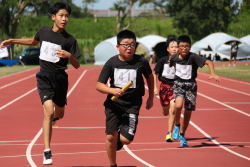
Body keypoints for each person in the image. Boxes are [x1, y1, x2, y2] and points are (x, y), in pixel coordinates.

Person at [0, 2, 81, 165]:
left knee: (60, 114)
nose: (64, 19)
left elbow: (77, 65)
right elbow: (33, 42)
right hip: (44, 76)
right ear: (53, 17)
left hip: (60, 79)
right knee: (48, 111)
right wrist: (12, 40)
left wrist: (69, 56)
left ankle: (53, 119)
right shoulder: (44, 31)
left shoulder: (70, 40)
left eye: (67, 16)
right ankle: (47, 151)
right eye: (61, 15)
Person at [96, 30, 154, 167]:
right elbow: (98, 85)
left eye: (133, 45)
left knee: (126, 140)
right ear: (117, 47)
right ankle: (112, 165)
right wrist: (112, 90)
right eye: (126, 45)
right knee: (110, 136)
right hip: (114, 104)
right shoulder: (111, 63)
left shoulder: (141, 61)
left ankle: (120, 139)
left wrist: (151, 96)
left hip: (132, 105)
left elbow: (150, 77)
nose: (129, 48)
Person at [169, 35, 220, 147]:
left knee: (188, 112)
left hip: (191, 86)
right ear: (178, 47)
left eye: (186, 46)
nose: (184, 49)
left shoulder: (193, 57)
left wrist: (212, 73)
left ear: (190, 47)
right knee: (178, 105)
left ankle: (182, 134)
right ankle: (176, 125)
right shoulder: (173, 58)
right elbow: (171, 65)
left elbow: (209, 62)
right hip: (178, 84)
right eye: (181, 46)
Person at [153, 35, 178, 142]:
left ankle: (169, 133)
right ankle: (175, 123)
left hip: (176, 87)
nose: (175, 49)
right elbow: (155, 73)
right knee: (165, 112)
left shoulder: (182, 61)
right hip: (164, 87)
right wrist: (154, 87)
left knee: (173, 109)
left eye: (177, 47)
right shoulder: (162, 60)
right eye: (172, 47)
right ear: (168, 49)